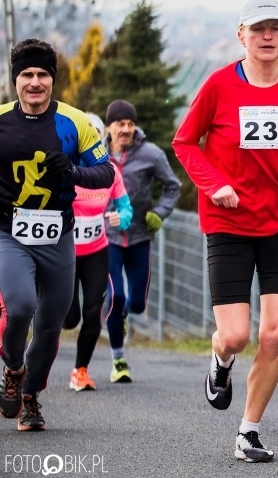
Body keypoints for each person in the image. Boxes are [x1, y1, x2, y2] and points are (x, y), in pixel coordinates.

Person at [172, 0, 278, 462]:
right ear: (241, 35)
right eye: (258, 28)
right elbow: (185, 142)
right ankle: (221, 361)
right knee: (236, 335)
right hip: (230, 222)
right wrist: (213, 183)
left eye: (275, 28)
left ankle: (248, 432)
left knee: (276, 335)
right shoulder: (219, 85)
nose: (267, 36)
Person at [0, 38, 114, 431]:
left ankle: (30, 396)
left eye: (42, 75)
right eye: (27, 75)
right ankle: (13, 369)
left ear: (53, 79)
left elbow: (106, 172)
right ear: (15, 80)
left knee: (51, 325)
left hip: (58, 235)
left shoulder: (75, 122)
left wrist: (73, 170)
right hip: (9, 233)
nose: (35, 82)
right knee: (19, 307)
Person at [103, 99, 181, 383]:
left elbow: (173, 186)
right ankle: (119, 360)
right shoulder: (96, 155)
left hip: (139, 236)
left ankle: (125, 313)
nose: (126, 129)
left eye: (130, 124)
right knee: (115, 296)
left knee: (136, 303)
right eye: (120, 124)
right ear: (109, 127)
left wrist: (159, 213)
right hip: (107, 238)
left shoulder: (151, 154)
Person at [62, 113, 133, 391]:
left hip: (96, 251)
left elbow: (125, 208)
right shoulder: (64, 167)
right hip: (64, 253)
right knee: (69, 318)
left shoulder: (109, 172)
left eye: (96, 134)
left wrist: (121, 218)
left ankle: (80, 371)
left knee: (93, 313)